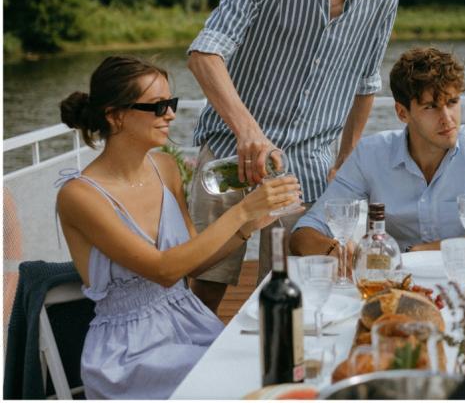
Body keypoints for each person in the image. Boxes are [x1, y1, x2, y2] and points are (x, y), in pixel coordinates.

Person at [186, 0, 405, 312]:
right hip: (233, 155)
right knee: (205, 288)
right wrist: (248, 131)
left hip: (307, 167)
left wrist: (344, 162)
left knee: (297, 297)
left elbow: (365, 85)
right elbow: (204, 53)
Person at [56, 56, 300, 399]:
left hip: (188, 320)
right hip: (130, 352)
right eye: (157, 106)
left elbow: (192, 261)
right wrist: (243, 210)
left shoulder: (166, 166)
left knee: (278, 363)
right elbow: (165, 270)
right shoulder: (79, 195)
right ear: (115, 115)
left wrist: (250, 227)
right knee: (248, 381)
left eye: (171, 103)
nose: (170, 114)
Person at [290, 47, 465, 261]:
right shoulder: (371, 154)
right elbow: (303, 235)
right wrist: (336, 251)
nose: (447, 118)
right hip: (397, 283)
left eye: (452, 102)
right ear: (402, 113)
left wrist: (418, 252)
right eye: (430, 107)